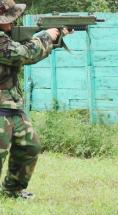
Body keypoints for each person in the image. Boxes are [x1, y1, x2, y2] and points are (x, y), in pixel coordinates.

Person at [0, 0, 70, 199]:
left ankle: (12, 190)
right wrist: (47, 37)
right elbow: (23, 53)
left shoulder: (6, 37)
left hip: (11, 103)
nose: (12, 23)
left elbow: (25, 50)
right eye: (8, 19)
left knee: (29, 146)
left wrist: (56, 37)